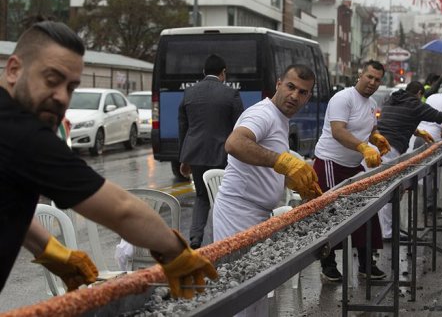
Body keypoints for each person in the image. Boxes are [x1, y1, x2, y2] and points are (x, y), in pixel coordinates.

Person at [0, 21, 217, 298]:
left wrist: (50, 251)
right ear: (14, 69)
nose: (61, 97)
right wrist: (176, 253)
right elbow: (122, 209)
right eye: (52, 80)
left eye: (71, 87)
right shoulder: (22, 135)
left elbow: (9, 204)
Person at [212, 64, 322, 317]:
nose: (295, 95)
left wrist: (291, 181)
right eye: (291, 87)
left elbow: (263, 164)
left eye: (303, 92)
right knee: (240, 293)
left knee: (255, 292)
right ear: (278, 84)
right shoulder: (262, 114)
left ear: (308, 97)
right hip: (238, 213)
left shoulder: (279, 119)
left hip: (256, 214)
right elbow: (235, 143)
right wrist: (281, 162)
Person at [313, 60, 391, 282]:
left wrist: (375, 138)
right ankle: (328, 264)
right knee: (331, 214)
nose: (372, 83)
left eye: (377, 80)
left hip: (353, 165)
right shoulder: (343, 98)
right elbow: (338, 131)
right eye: (370, 77)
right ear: (360, 75)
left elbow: (370, 128)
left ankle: (366, 264)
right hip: (330, 162)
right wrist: (363, 146)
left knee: (366, 209)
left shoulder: (371, 103)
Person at [376, 81, 442, 229]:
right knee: (390, 191)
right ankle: (387, 231)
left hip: (378, 145)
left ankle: (386, 228)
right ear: (419, 93)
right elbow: (436, 115)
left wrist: (417, 131)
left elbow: (399, 120)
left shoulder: (392, 100)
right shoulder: (414, 104)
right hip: (391, 148)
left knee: (383, 189)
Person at [178, 54, 244, 249]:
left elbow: (183, 127)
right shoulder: (230, 94)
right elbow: (240, 127)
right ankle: (223, 240)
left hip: (196, 154)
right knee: (224, 197)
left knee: (201, 196)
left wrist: (184, 158)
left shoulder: (189, 94)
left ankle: (195, 238)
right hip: (223, 155)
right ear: (223, 73)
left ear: (203, 72)